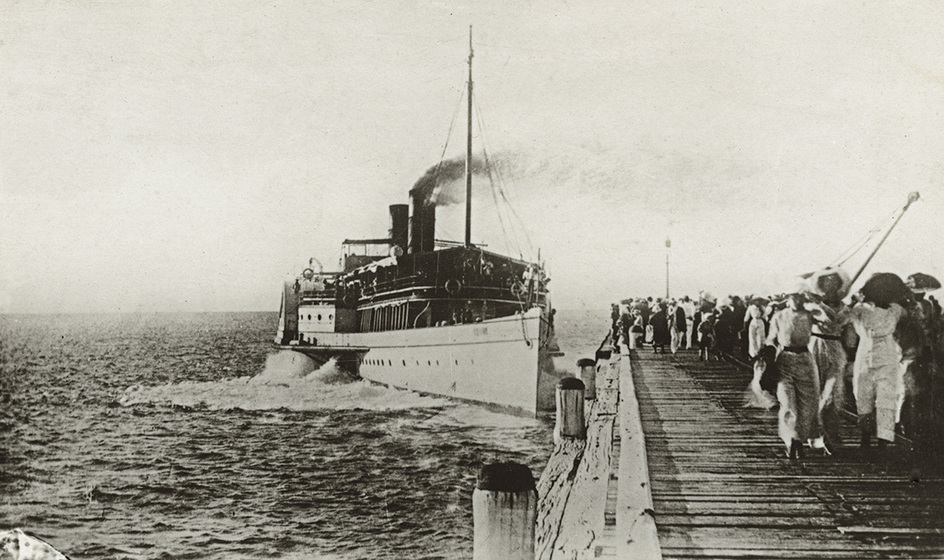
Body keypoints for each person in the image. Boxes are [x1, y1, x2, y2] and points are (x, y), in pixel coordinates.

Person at [849, 274, 909, 450]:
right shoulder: (865, 309)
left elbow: (906, 317)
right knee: (866, 395)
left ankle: (878, 438)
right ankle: (870, 437)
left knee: (882, 396)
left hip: (882, 354)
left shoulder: (892, 309)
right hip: (870, 354)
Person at [766, 291, 820, 460]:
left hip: (805, 361)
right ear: (788, 300)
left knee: (808, 404)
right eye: (793, 297)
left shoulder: (810, 315)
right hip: (785, 361)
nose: (797, 301)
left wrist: (817, 302)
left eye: (800, 297)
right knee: (788, 402)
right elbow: (771, 338)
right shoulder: (779, 316)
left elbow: (830, 320)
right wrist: (767, 354)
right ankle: (791, 441)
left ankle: (799, 440)